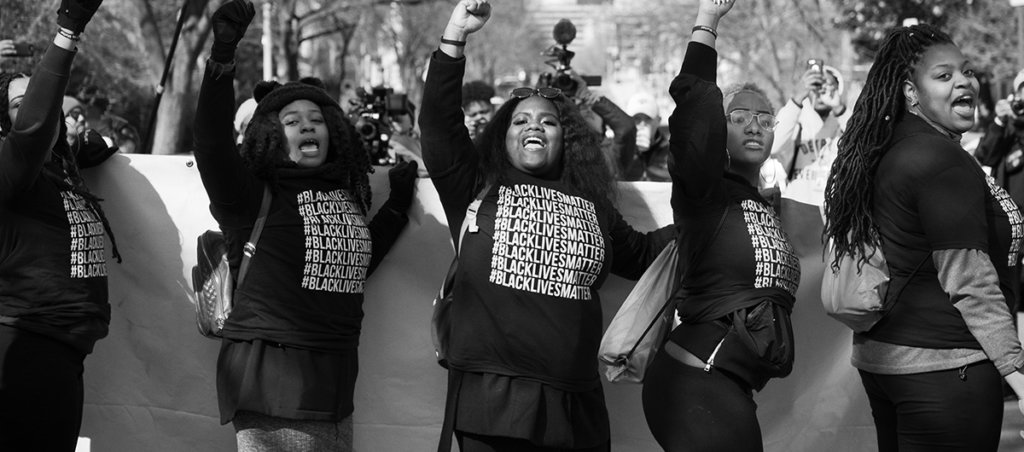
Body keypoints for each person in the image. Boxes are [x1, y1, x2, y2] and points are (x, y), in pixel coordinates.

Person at [421, 1, 675, 450]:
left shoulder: (592, 204)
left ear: (566, 138)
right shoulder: (477, 189)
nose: (533, 125)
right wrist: (455, 35)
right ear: (503, 137)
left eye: (547, 121)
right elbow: (440, 127)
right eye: (520, 120)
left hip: (576, 405)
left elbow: (644, 256)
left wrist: (711, 211)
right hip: (491, 401)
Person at [192, 1, 418, 450]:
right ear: (271, 135)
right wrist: (222, 55)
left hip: (334, 387)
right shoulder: (251, 194)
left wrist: (398, 204)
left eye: (317, 120)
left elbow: (355, 261)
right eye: (291, 121)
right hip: (272, 385)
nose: (307, 126)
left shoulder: (344, 194)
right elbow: (211, 143)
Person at [823, 23, 1024, 451]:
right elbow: (970, 281)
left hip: (889, 363)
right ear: (911, 92)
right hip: (946, 372)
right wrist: (1018, 375)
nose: (965, 82)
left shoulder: (891, 148)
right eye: (944, 75)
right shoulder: (940, 160)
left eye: (966, 72)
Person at [640, 1, 801, 451]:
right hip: (694, 381)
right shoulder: (704, 192)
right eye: (740, 117)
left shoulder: (764, 206)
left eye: (765, 119)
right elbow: (694, 111)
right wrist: (707, 20)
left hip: (729, 388)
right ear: (719, 130)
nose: (755, 125)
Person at [0, 1, 122, 450]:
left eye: (42, 98)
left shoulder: (65, 172)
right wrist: (67, 33)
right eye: (21, 104)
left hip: (65, 353)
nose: (41, 108)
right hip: (20, 345)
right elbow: (32, 132)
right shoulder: (8, 171)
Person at [770, 59, 850, 184]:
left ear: (838, 89)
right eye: (816, 85)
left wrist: (839, 108)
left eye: (828, 85)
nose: (821, 91)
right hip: (796, 202)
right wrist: (798, 98)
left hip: (833, 202)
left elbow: (865, 144)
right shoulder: (796, 121)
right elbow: (772, 146)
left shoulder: (844, 121)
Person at [77, 84, 141, 153]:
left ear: (97, 109)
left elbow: (131, 136)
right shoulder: (80, 122)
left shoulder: (112, 121)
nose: (87, 108)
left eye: (90, 106)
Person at [624, 92, 670, 182]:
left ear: (658, 120)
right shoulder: (619, 150)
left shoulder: (674, 153)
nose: (642, 124)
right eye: (636, 118)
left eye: (648, 118)